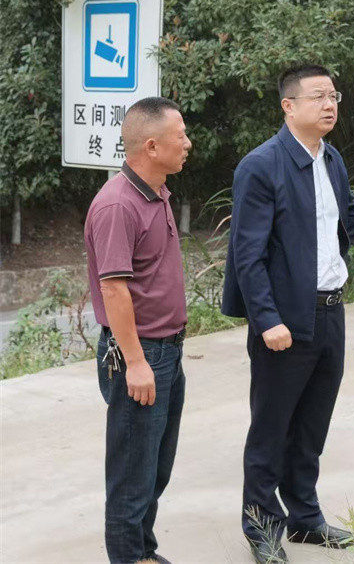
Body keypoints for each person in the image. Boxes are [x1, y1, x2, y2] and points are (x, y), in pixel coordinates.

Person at [222, 64, 354, 564]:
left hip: (330, 311)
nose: (329, 105)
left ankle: (304, 517)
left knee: (311, 426)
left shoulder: (332, 158)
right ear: (288, 106)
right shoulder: (261, 165)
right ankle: (261, 527)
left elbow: (345, 219)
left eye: (334, 96)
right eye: (318, 96)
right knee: (272, 428)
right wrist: (267, 319)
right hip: (284, 320)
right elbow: (248, 254)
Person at [85, 97, 192, 564]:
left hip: (167, 352)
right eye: (180, 136)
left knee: (154, 470)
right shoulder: (117, 205)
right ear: (151, 146)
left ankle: (144, 552)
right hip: (141, 355)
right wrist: (136, 363)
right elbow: (114, 291)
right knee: (132, 477)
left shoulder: (156, 191)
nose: (187, 143)